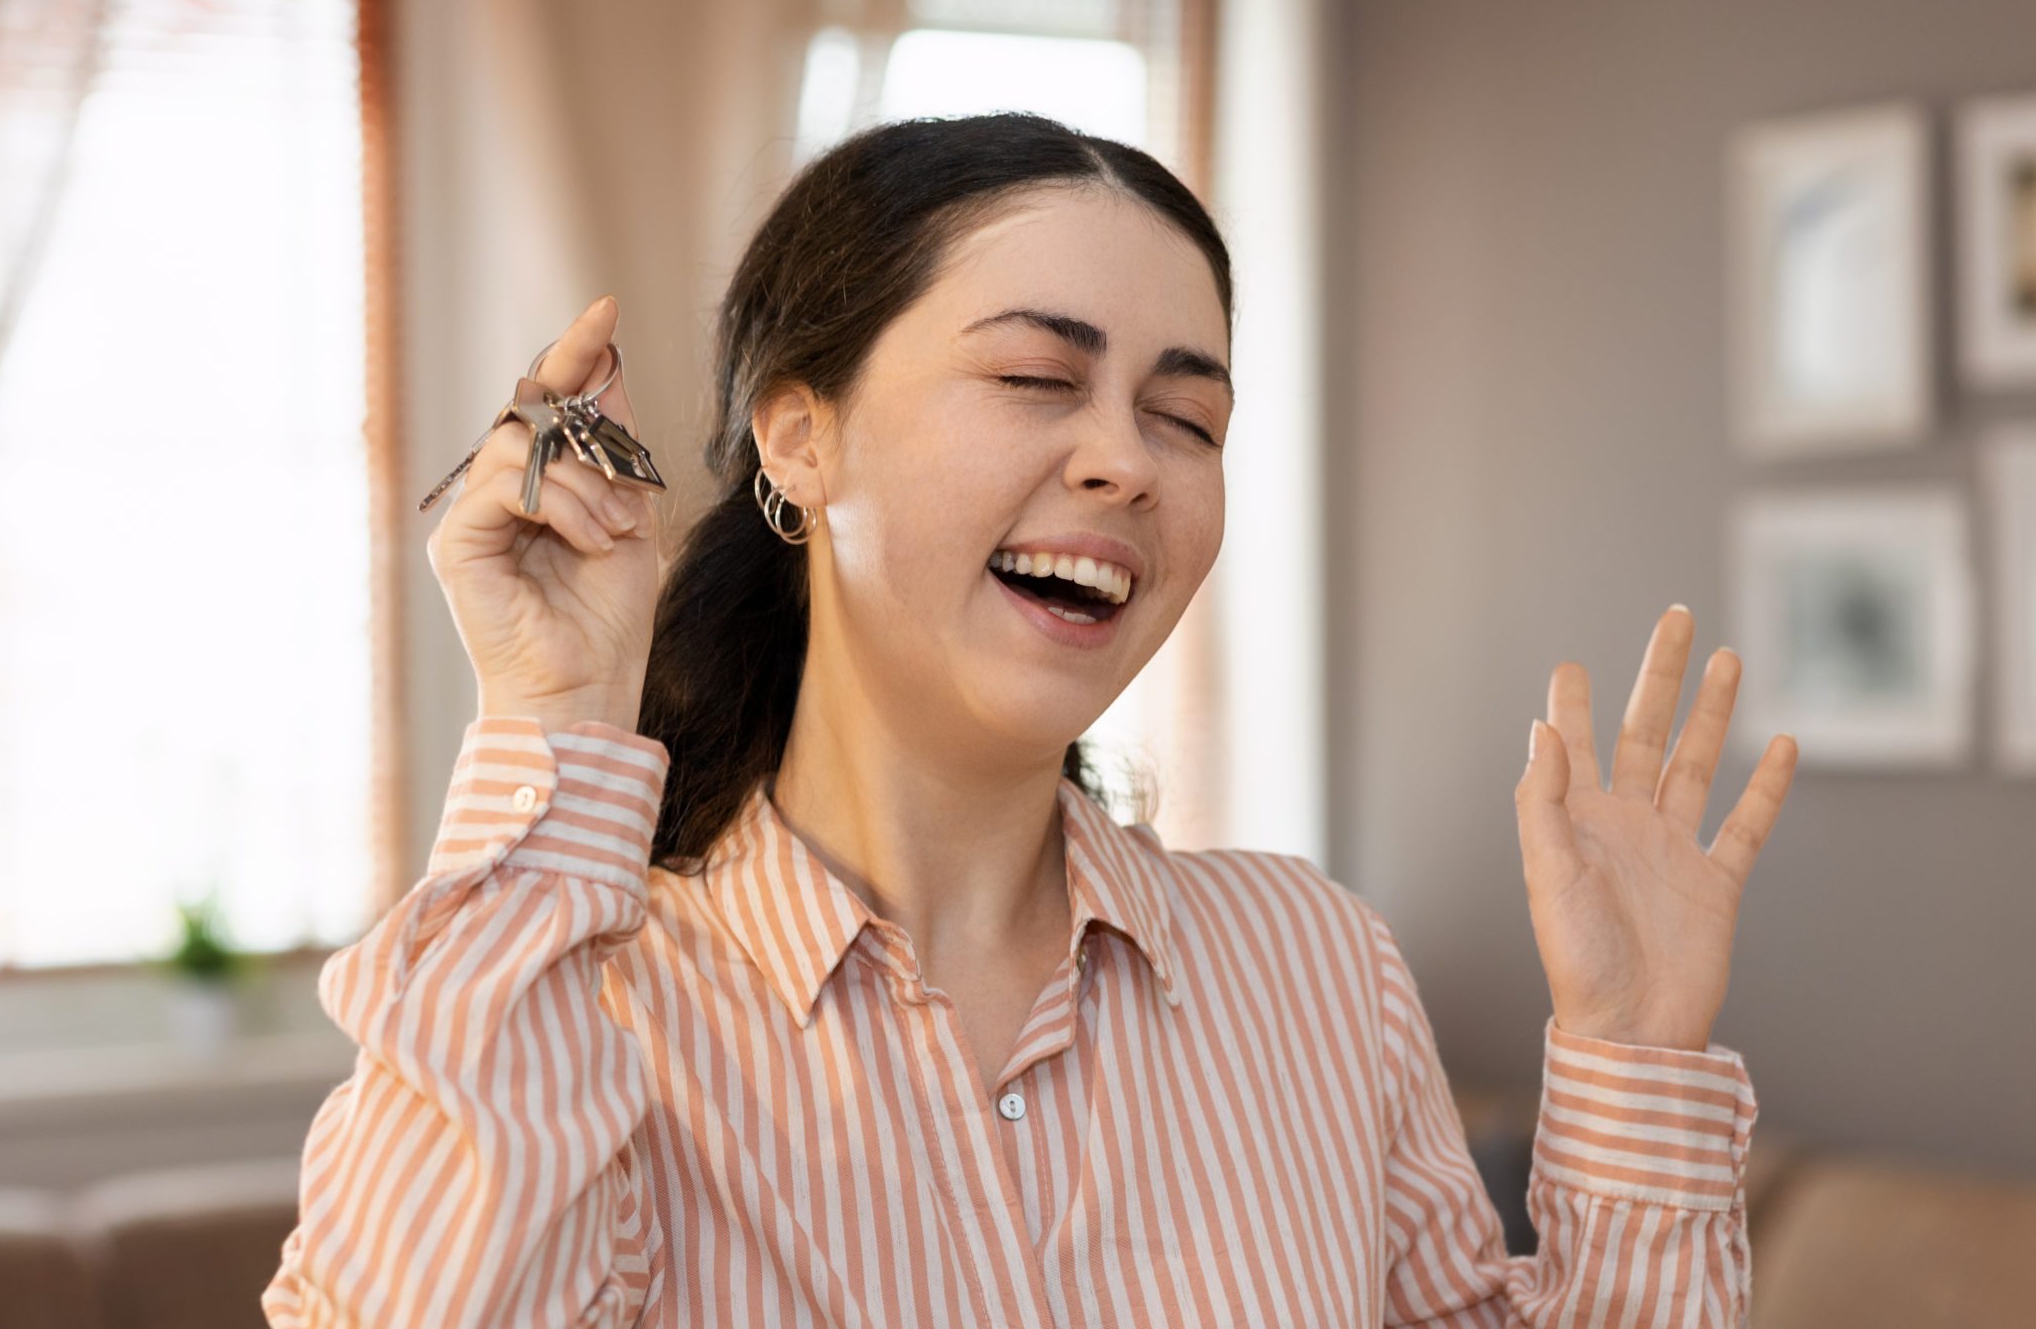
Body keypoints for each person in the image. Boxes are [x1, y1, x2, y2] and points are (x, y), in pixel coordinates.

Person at [263, 113, 1799, 1327]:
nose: (1126, 461)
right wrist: (555, 721)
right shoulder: (582, 1002)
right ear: (800, 438)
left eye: (1187, 417)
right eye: (1033, 377)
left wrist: (1630, 1048)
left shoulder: (1317, 970)